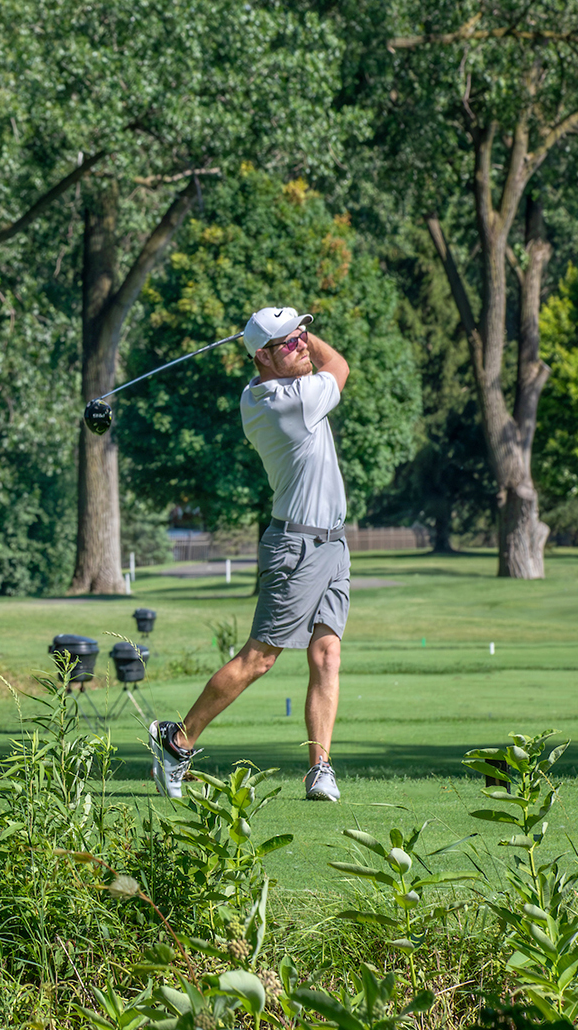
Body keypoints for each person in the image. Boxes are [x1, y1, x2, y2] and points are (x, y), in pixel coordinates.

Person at [148, 306, 352, 804]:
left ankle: (319, 769)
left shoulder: (255, 394)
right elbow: (340, 366)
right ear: (262, 355)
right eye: (290, 343)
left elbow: (311, 363)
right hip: (297, 548)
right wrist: (311, 341)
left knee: (327, 654)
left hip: (332, 543)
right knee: (259, 659)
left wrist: (292, 335)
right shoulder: (292, 402)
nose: (302, 346)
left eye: (303, 336)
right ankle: (177, 742)